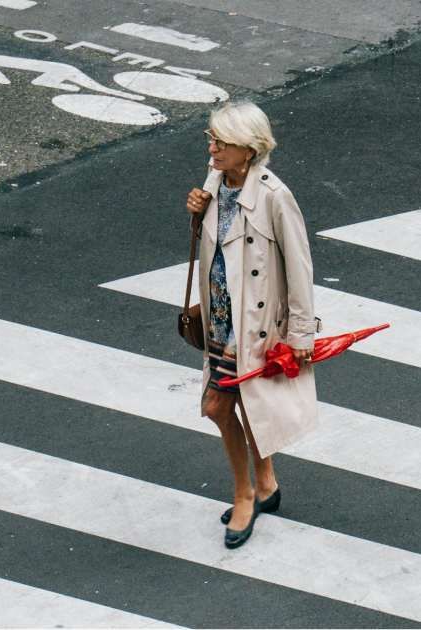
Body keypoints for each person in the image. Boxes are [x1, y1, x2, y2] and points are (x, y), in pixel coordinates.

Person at [185, 101, 319, 549]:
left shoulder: (275, 197)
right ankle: (265, 483)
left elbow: (300, 266)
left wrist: (301, 333)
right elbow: (218, 248)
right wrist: (195, 212)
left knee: (218, 406)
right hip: (221, 317)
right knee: (239, 403)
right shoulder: (213, 184)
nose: (213, 147)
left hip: (256, 325)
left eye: (222, 141)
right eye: (211, 138)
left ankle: (245, 495)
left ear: (250, 148)